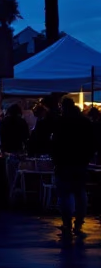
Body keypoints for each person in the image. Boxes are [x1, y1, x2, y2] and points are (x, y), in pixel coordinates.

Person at [52, 97, 92, 236]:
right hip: (81, 162)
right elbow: (91, 142)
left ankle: (67, 223)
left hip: (63, 162)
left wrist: (55, 159)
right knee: (80, 193)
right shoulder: (85, 122)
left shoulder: (60, 122)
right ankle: (79, 223)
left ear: (62, 106)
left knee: (64, 194)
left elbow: (55, 143)